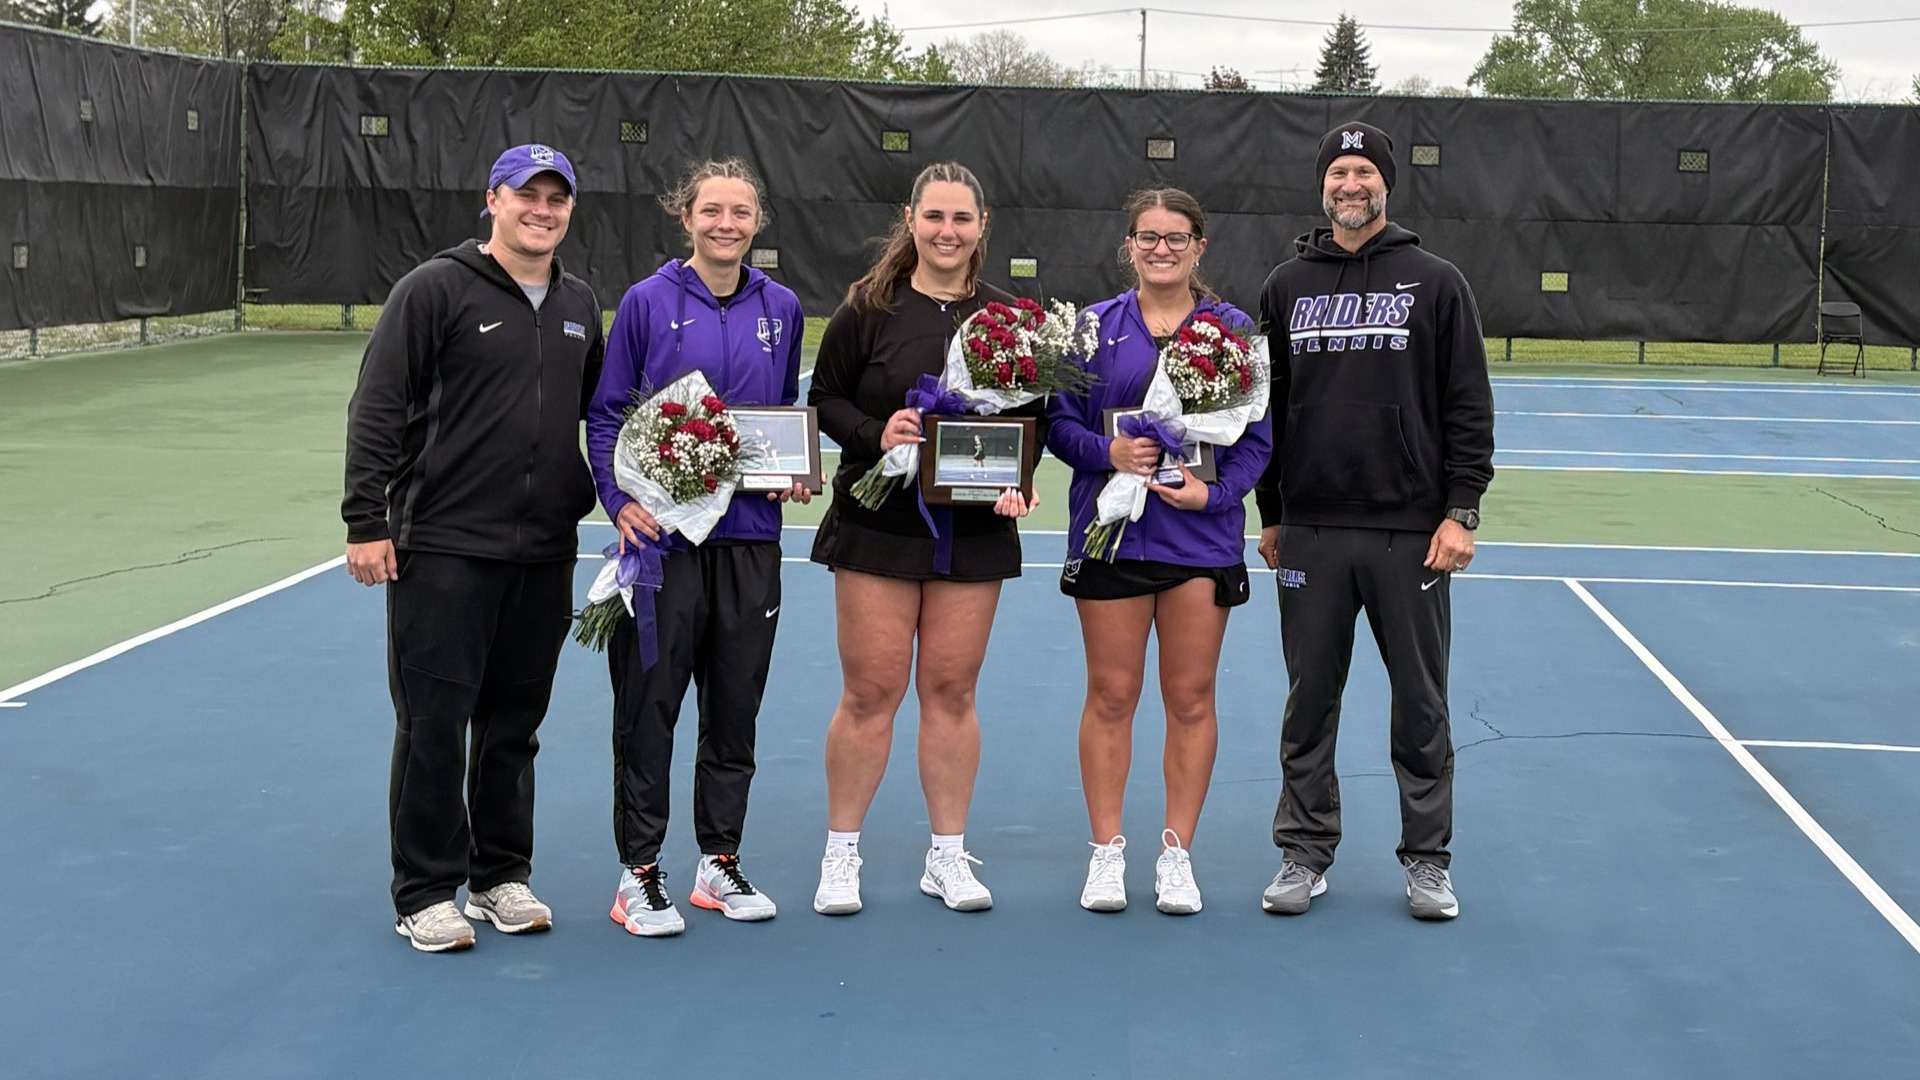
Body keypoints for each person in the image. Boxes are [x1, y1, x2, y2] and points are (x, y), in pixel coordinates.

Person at [343, 143, 603, 952]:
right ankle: (425, 890)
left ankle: (499, 878)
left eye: (557, 198)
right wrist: (365, 520)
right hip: (446, 548)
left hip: (544, 551)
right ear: (492, 199)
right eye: (528, 194)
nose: (543, 210)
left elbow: (602, 417)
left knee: (514, 722)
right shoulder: (434, 290)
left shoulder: (581, 303)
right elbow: (378, 405)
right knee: (434, 722)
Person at [1253, 121, 1495, 920]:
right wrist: (1273, 512)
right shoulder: (1287, 284)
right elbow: (1266, 414)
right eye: (1338, 173)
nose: (1349, 184)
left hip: (1411, 534)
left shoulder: (1436, 281)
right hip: (1312, 531)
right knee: (1308, 701)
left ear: (1386, 184)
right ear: (1322, 186)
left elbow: (1467, 405)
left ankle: (1428, 860)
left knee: (1420, 705)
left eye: (1362, 172)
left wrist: (1462, 510)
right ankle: (1304, 853)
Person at [807, 161, 1040, 915]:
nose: (947, 232)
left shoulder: (1010, 319)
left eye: (961, 219)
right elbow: (826, 401)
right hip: (878, 525)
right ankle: (840, 854)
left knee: (951, 690)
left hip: (971, 534)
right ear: (911, 220)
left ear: (983, 226)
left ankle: (947, 856)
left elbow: (1031, 421)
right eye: (934, 217)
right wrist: (882, 434)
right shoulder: (866, 308)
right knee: (871, 692)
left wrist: (1020, 475)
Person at [586, 158, 808, 937]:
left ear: (758, 223)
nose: (726, 223)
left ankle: (719, 861)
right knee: (649, 709)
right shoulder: (647, 302)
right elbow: (609, 413)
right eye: (712, 210)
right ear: (687, 217)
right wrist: (619, 504)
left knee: (735, 706)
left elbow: (780, 414)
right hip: (664, 544)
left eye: (741, 212)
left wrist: (792, 474)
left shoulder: (781, 306)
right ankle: (638, 873)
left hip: (750, 540)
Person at [1046, 188, 1272, 915]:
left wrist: (1217, 496)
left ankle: (1177, 853)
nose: (1163, 249)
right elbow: (1058, 425)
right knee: (1111, 696)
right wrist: (1106, 450)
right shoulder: (1091, 328)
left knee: (1190, 697)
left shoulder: (1233, 330)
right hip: (1112, 535)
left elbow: (1260, 438)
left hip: (1199, 539)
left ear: (1200, 247)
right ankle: (1106, 852)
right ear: (1130, 245)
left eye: (1177, 237)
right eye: (1149, 236)